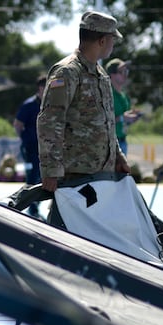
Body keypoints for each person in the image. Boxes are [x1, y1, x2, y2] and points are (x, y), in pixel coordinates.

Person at [37, 11, 130, 194]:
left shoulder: (101, 74)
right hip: (75, 175)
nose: (114, 44)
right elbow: (50, 122)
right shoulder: (66, 72)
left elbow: (107, 122)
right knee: (66, 223)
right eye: (113, 39)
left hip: (102, 174)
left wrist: (118, 156)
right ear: (102, 41)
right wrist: (51, 170)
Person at [13, 76, 46, 217]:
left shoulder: (50, 104)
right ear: (40, 88)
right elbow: (18, 124)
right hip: (31, 148)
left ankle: (36, 205)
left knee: (43, 177)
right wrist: (26, 139)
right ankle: (29, 206)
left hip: (45, 148)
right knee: (32, 177)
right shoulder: (29, 104)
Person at [105, 58, 141, 155]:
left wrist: (132, 118)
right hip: (109, 144)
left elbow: (124, 120)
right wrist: (122, 118)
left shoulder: (124, 96)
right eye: (122, 72)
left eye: (126, 71)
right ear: (112, 74)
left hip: (123, 141)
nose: (125, 74)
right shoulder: (106, 94)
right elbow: (102, 120)